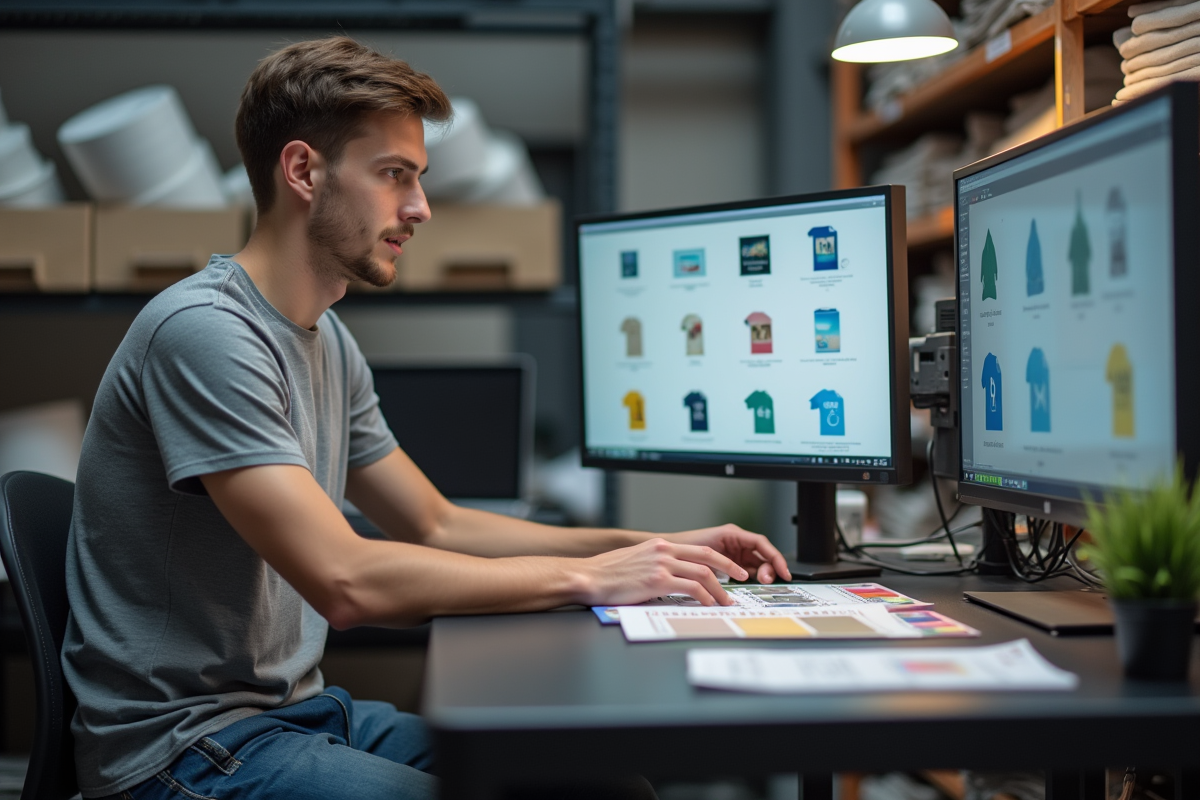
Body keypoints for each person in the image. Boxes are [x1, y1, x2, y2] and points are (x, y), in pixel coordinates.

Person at [63, 36, 791, 800]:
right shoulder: (207, 333)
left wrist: (651, 547)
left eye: (419, 178)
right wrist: (588, 578)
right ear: (304, 171)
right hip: (185, 747)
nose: (421, 208)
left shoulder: (326, 337)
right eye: (393, 176)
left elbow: (437, 524)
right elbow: (346, 581)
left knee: (605, 787)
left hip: (296, 714)